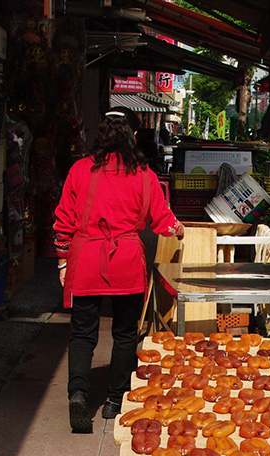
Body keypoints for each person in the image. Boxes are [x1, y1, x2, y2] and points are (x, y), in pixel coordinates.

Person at [54, 109, 183, 433]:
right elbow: (162, 220)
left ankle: (78, 394)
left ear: (100, 136)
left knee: (82, 333)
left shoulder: (80, 170)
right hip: (126, 260)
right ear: (131, 137)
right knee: (125, 334)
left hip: (86, 260)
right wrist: (176, 228)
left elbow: (64, 221)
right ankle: (114, 400)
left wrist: (62, 260)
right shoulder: (144, 174)